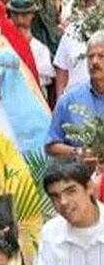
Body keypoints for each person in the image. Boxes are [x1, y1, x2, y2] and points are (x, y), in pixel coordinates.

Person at [47, 31, 104, 165]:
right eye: (90, 57)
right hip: (82, 178)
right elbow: (50, 145)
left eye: (101, 56)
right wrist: (78, 152)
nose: (94, 62)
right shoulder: (69, 100)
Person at [6, 0, 56, 92]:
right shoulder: (1, 44)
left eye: (24, 15)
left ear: (32, 15)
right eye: (15, 15)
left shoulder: (40, 49)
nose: (20, 21)